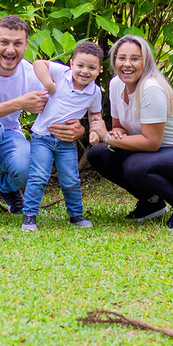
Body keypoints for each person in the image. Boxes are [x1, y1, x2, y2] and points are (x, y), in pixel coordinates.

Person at [0, 16, 85, 226]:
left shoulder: (32, 74)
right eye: (4, 42)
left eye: (17, 44)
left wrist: (78, 128)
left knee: (33, 164)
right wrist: (18, 103)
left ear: (26, 45)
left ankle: (7, 188)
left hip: (8, 135)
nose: (10, 50)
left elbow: (66, 102)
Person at [86, 35, 173, 229]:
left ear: (145, 61)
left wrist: (107, 138)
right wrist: (115, 134)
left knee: (134, 166)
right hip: (161, 151)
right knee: (98, 154)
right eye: (121, 58)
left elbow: (151, 143)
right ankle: (152, 203)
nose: (127, 64)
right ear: (114, 60)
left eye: (135, 58)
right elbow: (119, 126)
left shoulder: (151, 87)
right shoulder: (115, 84)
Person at [21, 43, 109, 232]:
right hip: (42, 137)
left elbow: (95, 116)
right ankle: (29, 215)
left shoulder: (94, 92)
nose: (85, 71)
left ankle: (76, 214)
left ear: (99, 70)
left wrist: (94, 132)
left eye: (92, 68)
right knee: (39, 176)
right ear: (71, 64)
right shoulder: (61, 74)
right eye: (80, 66)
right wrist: (49, 85)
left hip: (66, 142)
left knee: (70, 178)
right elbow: (38, 64)